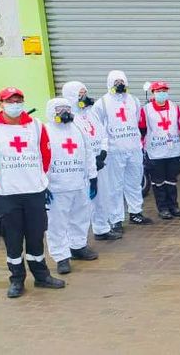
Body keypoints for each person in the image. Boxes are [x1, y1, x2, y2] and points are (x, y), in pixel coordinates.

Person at [0, 87, 65, 297]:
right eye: (10, 101)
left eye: (18, 100)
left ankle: (41, 276)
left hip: (34, 191)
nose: (15, 105)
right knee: (13, 239)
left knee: (35, 236)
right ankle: (16, 280)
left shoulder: (36, 126)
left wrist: (38, 177)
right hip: (6, 193)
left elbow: (46, 154)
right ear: (1, 104)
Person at [42, 97, 98, 275]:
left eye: (67, 108)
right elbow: (39, 158)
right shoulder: (45, 131)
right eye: (60, 109)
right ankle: (61, 256)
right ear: (51, 111)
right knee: (56, 224)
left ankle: (78, 246)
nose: (65, 112)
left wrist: (93, 176)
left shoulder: (77, 129)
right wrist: (42, 184)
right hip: (56, 187)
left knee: (81, 217)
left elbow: (88, 152)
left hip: (79, 183)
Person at [93, 70, 152, 235]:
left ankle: (135, 212)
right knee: (115, 187)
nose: (119, 84)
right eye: (116, 81)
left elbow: (137, 120)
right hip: (114, 151)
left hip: (133, 148)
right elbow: (98, 128)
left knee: (134, 182)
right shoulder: (102, 103)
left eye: (122, 81)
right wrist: (104, 148)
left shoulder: (134, 100)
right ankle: (116, 219)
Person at [60, 81, 116, 240]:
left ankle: (102, 228)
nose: (84, 96)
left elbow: (103, 134)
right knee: (84, 204)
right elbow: (71, 145)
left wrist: (103, 153)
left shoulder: (91, 113)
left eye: (85, 93)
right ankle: (79, 240)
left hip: (100, 162)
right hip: (83, 167)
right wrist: (89, 161)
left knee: (102, 197)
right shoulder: (68, 119)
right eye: (80, 94)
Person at [138, 81, 180, 220]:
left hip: (173, 150)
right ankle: (163, 208)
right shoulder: (146, 109)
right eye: (158, 91)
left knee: (172, 180)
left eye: (164, 91)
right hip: (155, 152)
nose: (161, 94)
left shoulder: (174, 107)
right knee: (158, 181)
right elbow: (142, 129)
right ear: (153, 93)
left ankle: (173, 206)